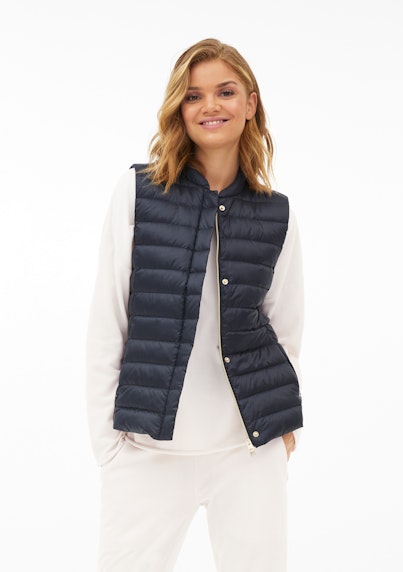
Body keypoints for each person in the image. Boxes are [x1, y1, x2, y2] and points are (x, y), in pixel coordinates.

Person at [85, 38, 304, 572]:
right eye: (193, 95)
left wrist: (280, 430)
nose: (210, 106)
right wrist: (109, 445)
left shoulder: (276, 213)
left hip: (248, 451)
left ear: (250, 103)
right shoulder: (138, 194)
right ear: (178, 109)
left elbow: (286, 327)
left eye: (225, 92)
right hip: (148, 453)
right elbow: (108, 322)